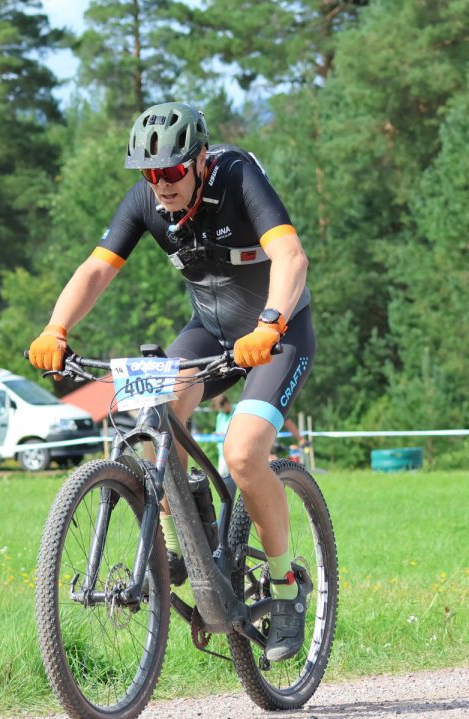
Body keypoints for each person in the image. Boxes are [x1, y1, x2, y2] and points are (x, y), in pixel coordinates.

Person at [27, 102, 315, 661]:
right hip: (210, 333)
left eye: (172, 170)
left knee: (243, 453)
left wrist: (271, 322)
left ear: (200, 160)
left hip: (278, 334)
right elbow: (96, 269)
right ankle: (185, 538)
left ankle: (285, 588)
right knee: (150, 415)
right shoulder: (147, 201)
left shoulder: (236, 176)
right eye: (149, 173)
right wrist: (55, 328)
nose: (160, 184)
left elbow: (290, 255)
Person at [211, 394, 232, 475]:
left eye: (221, 408)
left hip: (235, 450)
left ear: (226, 403)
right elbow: (218, 432)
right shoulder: (220, 415)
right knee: (223, 474)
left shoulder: (238, 411)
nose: (221, 410)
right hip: (222, 451)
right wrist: (216, 434)